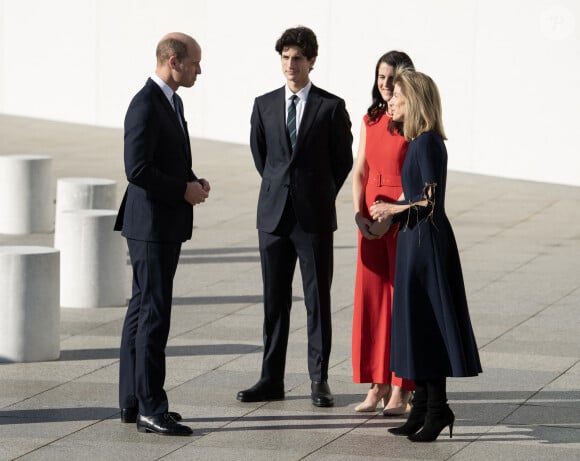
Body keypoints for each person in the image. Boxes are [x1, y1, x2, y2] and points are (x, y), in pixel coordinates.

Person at [237, 26, 353, 407]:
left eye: (298, 58)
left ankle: (318, 379)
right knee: (274, 301)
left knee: (317, 300)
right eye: (285, 58)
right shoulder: (264, 104)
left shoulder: (331, 107)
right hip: (272, 219)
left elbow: (342, 161)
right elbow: (263, 157)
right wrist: (279, 190)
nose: (290, 65)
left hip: (313, 219)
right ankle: (271, 378)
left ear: (312, 62)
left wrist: (317, 194)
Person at [369, 70, 481, 442]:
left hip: (426, 246)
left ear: (414, 100)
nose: (391, 101)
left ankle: (437, 409)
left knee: (429, 326)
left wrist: (392, 210)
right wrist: (395, 206)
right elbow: (418, 198)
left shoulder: (428, 143)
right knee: (417, 325)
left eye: (397, 96)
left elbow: (430, 202)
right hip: (415, 242)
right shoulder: (419, 142)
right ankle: (421, 409)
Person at [114, 32, 210, 436]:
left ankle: (133, 400)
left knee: (141, 310)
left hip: (161, 221)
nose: (199, 70)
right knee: (153, 314)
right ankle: (152, 408)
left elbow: (166, 158)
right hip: (152, 224)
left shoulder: (172, 101)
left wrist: (192, 180)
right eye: (194, 63)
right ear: (173, 61)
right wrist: (181, 190)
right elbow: (136, 169)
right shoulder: (145, 105)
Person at [351, 51, 415, 415]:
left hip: (399, 218)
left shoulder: (412, 120)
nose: (386, 85)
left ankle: (401, 389)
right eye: (380, 77)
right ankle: (375, 386)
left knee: (398, 304)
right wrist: (358, 214)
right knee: (372, 303)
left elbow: (415, 177)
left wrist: (390, 218)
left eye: (392, 78)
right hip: (370, 217)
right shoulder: (370, 118)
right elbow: (361, 167)